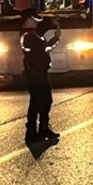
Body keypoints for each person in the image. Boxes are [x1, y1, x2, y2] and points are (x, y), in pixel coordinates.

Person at [20, 10, 61, 143]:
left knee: (44, 101)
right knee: (38, 102)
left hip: (40, 72)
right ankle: (33, 131)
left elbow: (45, 47)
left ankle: (42, 128)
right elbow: (42, 48)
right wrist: (54, 38)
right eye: (34, 19)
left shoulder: (34, 35)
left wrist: (56, 37)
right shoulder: (27, 36)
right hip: (35, 74)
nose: (38, 21)